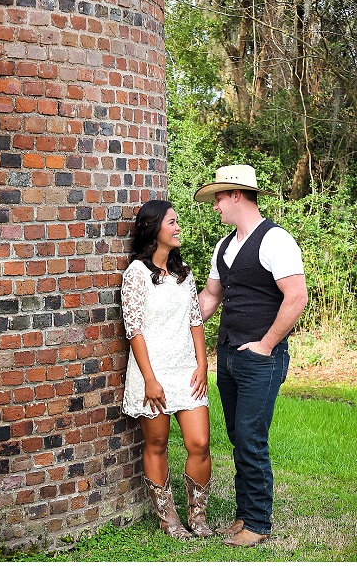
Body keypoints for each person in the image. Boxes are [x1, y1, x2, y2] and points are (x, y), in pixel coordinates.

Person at [195, 165, 308, 548]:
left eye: (218, 199)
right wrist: (179, 325)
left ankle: (258, 524)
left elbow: (296, 297)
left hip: (262, 357)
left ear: (237, 196)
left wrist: (266, 344)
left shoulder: (276, 241)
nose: (215, 208)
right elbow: (211, 297)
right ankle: (245, 515)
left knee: (250, 436)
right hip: (227, 354)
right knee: (237, 436)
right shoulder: (224, 246)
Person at [120, 200, 214, 539]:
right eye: (171, 223)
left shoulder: (183, 272)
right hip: (153, 373)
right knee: (157, 444)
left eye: (177, 222)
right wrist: (149, 379)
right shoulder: (136, 274)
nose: (178, 228)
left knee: (199, 443)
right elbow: (135, 330)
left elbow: (194, 320)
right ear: (153, 228)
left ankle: (198, 517)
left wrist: (203, 364)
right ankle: (168, 518)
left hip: (186, 369)